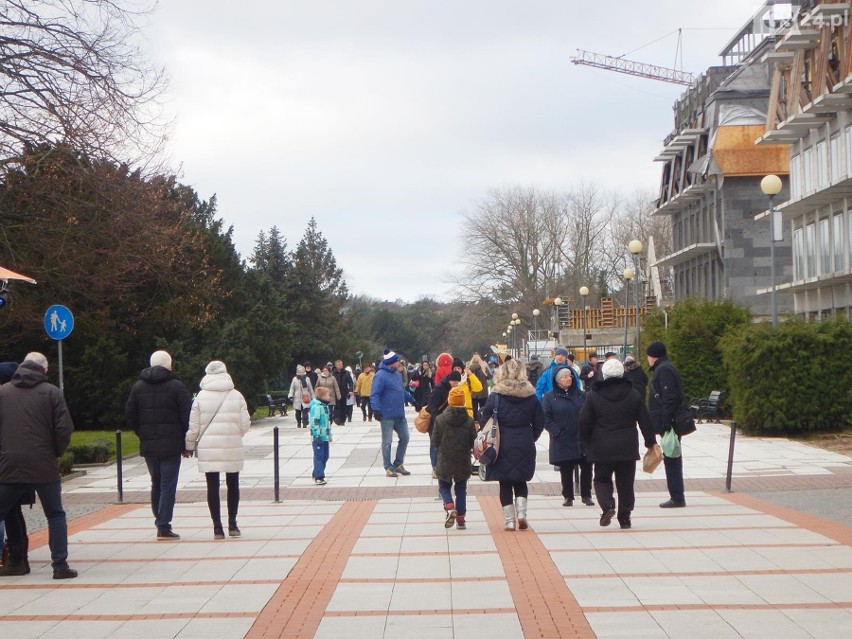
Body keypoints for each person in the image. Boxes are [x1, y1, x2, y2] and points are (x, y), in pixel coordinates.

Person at [0, 353, 77, 579]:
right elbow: (64, 429)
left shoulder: (3, 393)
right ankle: (60, 566)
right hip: (44, 465)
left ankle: (14, 561)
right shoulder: (52, 393)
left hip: (9, 466)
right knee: (55, 514)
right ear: (44, 370)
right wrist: (55, 452)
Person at [579, 358, 656, 529]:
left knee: (601, 479)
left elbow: (584, 421)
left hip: (602, 445)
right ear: (622, 373)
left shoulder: (593, 396)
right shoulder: (633, 394)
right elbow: (645, 419)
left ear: (603, 375)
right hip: (627, 445)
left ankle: (607, 506)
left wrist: (587, 439)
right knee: (626, 483)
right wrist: (650, 442)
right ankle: (625, 517)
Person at [126, 350, 191, 540]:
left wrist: (142, 432)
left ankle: (159, 519)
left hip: (149, 444)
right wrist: (187, 443)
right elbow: (186, 417)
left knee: (156, 482)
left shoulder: (138, 387)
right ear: (169, 365)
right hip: (172, 444)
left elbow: (131, 414)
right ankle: (163, 525)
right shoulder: (177, 387)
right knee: (168, 485)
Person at [184, 360, 251, 539]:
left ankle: (217, 528)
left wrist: (189, 445)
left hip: (208, 447)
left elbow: (194, 426)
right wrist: (235, 434)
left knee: (212, 486)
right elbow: (245, 424)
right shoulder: (236, 395)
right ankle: (233, 524)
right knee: (233, 484)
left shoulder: (200, 397)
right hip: (231, 443)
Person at [479, 358, 544, 531]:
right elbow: (539, 421)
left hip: (501, 444)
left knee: (505, 483)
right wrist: (531, 437)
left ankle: (509, 521)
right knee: (521, 480)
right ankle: (522, 514)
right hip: (524, 441)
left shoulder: (496, 396)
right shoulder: (531, 396)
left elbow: (485, 421)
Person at [542, 366, 594, 507]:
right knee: (566, 468)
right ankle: (568, 496)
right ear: (558, 380)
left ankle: (586, 494)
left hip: (581, 436)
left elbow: (589, 412)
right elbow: (545, 418)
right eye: (565, 376)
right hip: (563, 437)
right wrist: (556, 431)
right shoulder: (550, 397)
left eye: (570, 376)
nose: (568, 379)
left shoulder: (581, 395)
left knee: (587, 466)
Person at [647, 341, 687, 508]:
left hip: (669, 424)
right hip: (669, 422)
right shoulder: (666, 367)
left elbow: (669, 397)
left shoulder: (664, 369)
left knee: (672, 458)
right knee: (672, 457)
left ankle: (677, 497)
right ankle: (677, 495)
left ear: (652, 356)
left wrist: (665, 422)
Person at [431, 386, 476, 530]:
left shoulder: (440, 419)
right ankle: (461, 520)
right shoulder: (469, 420)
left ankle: (449, 505)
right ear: (462, 402)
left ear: (449, 401)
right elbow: (472, 442)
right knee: (461, 489)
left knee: (444, 485)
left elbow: (434, 442)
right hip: (462, 459)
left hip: (445, 458)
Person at [370, 349, 411, 477]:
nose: (399, 362)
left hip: (399, 414)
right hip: (386, 415)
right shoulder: (380, 375)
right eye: (397, 361)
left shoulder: (397, 375)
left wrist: (414, 401)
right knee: (387, 442)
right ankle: (388, 467)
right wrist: (376, 409)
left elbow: (402, 391)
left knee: (405, 438)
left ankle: (398, 463)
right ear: (391, 362)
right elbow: (374, 394)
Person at [427, 370, 463, 475]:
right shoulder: (439, 388)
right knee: (435, 445)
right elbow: (432, 406)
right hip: (436, 420)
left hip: (448, 420)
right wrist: (437, 419)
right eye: (454, 382)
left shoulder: (455, 390)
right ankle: (435, 467)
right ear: (450, 380)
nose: (456, 384)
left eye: (457, 382)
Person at [308, 386, 333, 485]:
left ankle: (316, 473)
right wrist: (317, 435)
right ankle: (319, 476)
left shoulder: (325, 407)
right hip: (318, 437)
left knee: (325, 456)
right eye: (327, 395)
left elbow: (327, 422)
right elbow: (314, 422)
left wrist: (329, 434)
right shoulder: (316, 407)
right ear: (322, 396)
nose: (329, 397)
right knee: (319, 456)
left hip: (325, 436)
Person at [468, 353, 490, 420]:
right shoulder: (484, 367)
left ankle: (475, 422)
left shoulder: (469, 369)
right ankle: (483, 422)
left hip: (473, 393)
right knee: (483, 409)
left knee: (474, 410)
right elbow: (489, 376)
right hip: (483, 392)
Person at [332, 360, 354, 425]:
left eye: (341, 364)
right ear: (336, 366)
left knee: (343, 406)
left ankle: (342, 420)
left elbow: (350, 382)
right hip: (335, 392)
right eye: (339, 364)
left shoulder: (346, 373)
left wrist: (350, 390)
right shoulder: (333, 373)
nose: (340, 365)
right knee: (336, 406)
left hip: (344, 392)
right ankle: (337, 418)